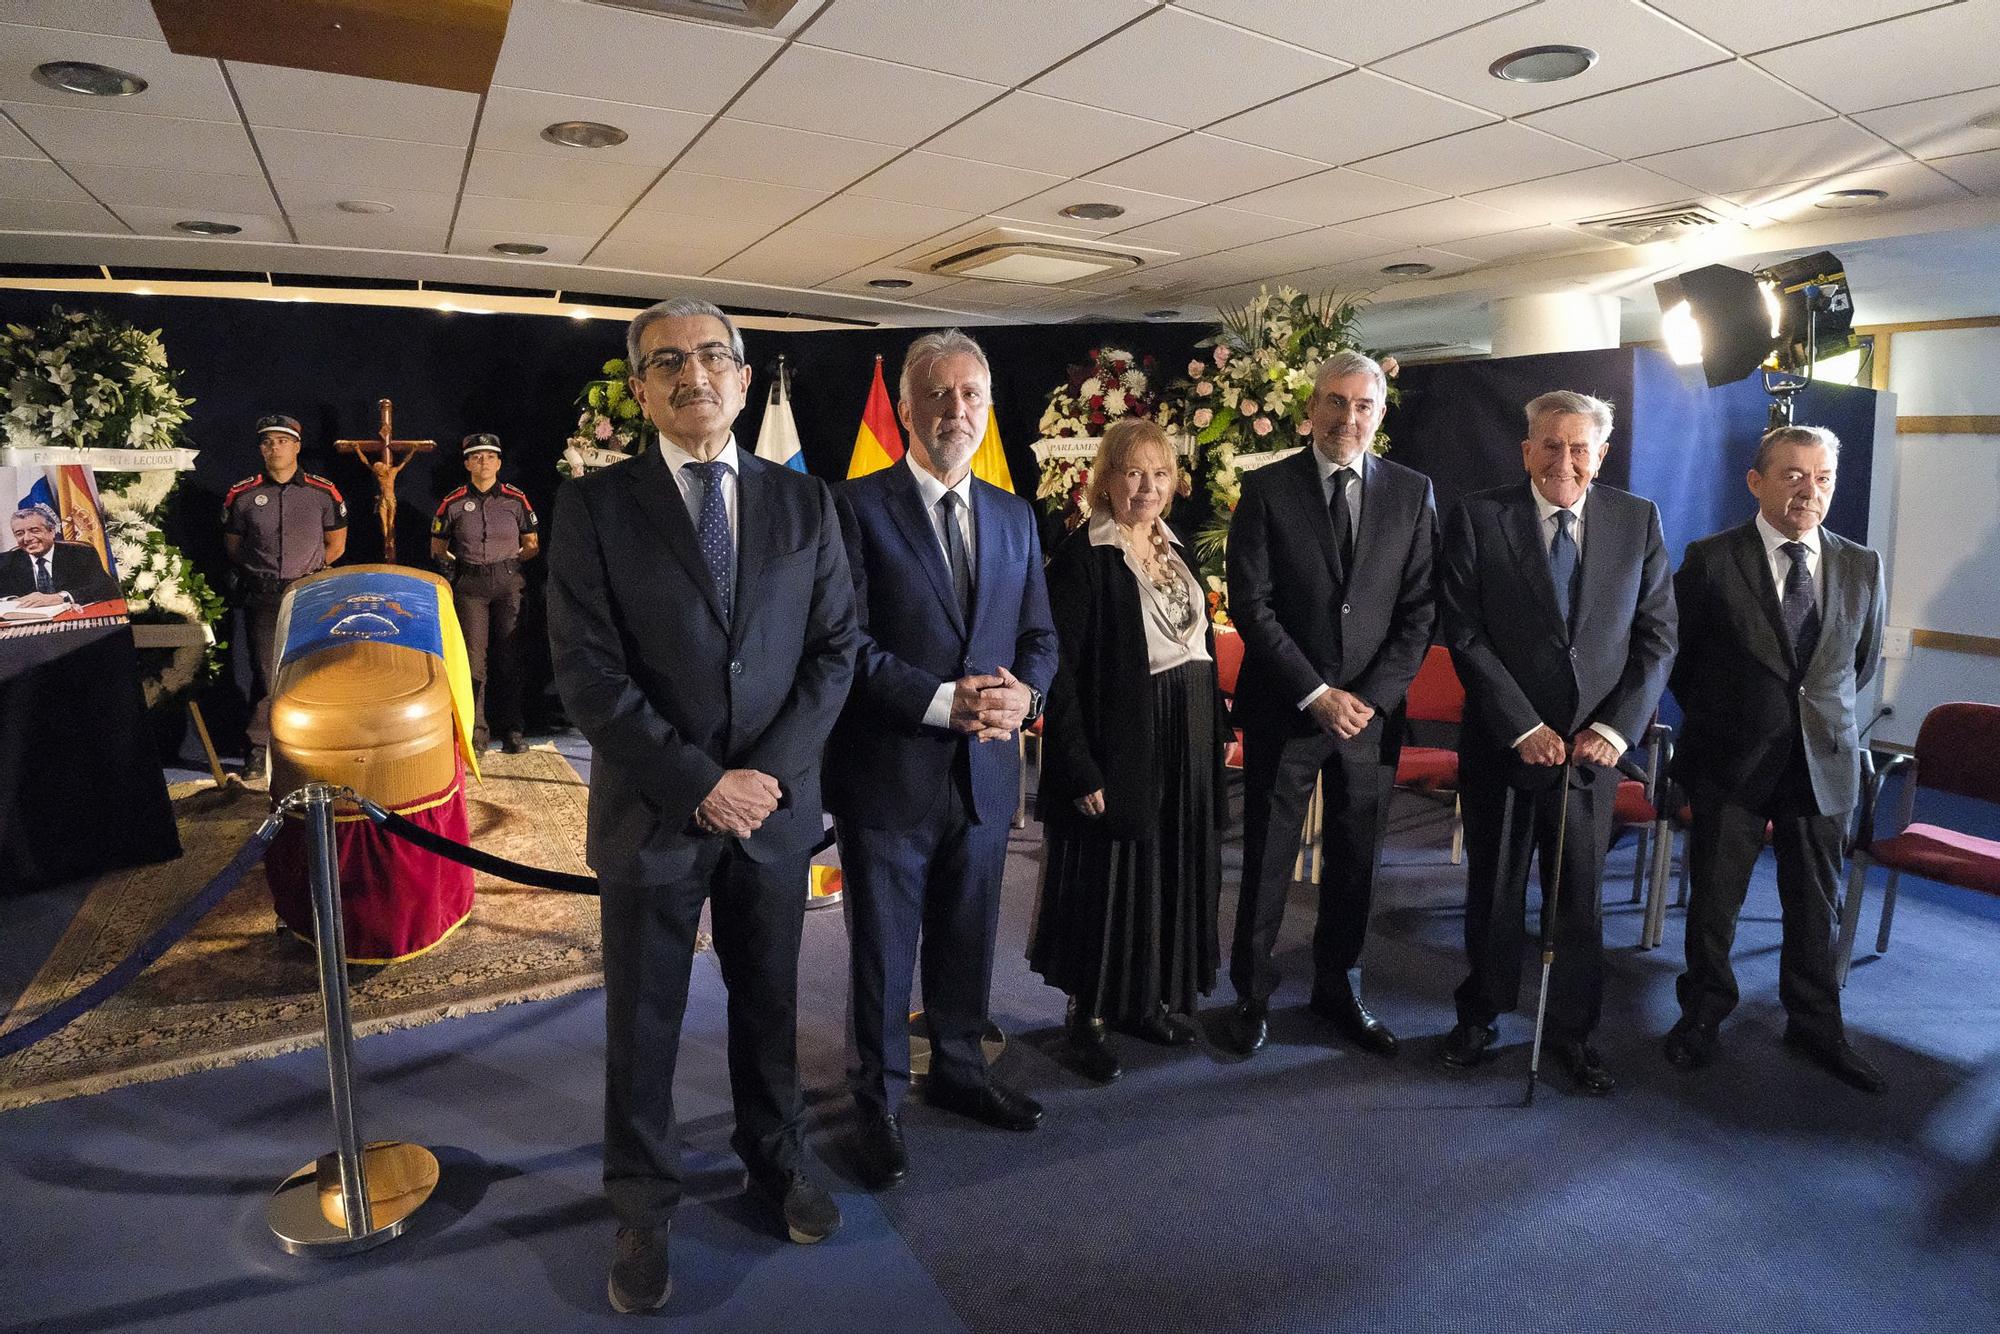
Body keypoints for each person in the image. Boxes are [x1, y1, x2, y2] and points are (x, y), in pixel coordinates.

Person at [545, 297, 858, 1314]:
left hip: (773, 809)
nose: (696, 375)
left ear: (740, 371)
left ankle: (776, 1161)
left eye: (714, 356)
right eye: (668, 360)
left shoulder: (806, 503)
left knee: (771, 1004)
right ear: (639, 386)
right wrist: (700, 781)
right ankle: (642, 1202)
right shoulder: (593, 508)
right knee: (643, 1023)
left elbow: (835, 648)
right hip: (655, 812)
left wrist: (760, 776)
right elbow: (587, 674)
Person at [828, 329, 1059, 1188]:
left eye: (970, 395)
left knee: (969, 937)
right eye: (938, 394)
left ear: (987, 406)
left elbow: (1039, 636)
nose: (955, 409)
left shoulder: (1013, 514)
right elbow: (843, 644)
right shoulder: (852, 507)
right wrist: (941, 700)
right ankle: (877, 1103)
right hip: (889, 771)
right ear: (909, 406)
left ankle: (961, 1072)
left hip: (988, 774)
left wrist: (1025, 697)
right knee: (883, 952)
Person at [1438, 390, 1675, 1095]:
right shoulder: (1480, 517)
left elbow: (1657, 635)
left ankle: (1574, 1031)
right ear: (1526, 450)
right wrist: (1522, 726)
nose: (1563, 460)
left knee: (1579, 899)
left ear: (1600, 456)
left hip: (1592, 756)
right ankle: (1480, 1017)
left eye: (1579, 447)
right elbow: (1466, 631)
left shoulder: (1638, 521)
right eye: (1550, 444)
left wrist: (1612, 730)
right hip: (1505, 745)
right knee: (1496, 892)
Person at [1221, 351, 1437, 1059]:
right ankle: (1250, 994)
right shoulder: (1267, 489)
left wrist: (1366, 700)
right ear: (1310, 409)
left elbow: (1419, 611)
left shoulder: (1412, 492)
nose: (1350, 417)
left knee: (1357, 861)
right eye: (1337, 403)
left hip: (1370, 720)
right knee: (1267, 859)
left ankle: (1338, 987)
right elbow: (1251, 605)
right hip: (1288, 706)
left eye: (1364, 405)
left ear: (1380, 413)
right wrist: (1316, 693)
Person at [1662, 424, 1887, 1092]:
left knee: (1817, 902)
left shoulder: (1861, 564)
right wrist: (1734, 712)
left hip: (1823, 759)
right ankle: (1701, 1015)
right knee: (1715, 900)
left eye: (1822, 477)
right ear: (1757, 482)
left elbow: (1860, 659)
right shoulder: (1710, 559)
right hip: (1731, 756)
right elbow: (1683, 661)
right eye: (1792, 475)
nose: (1808, 491)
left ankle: (1815, 1024)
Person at [1030, 418, 1224, 1083]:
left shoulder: (1175, 549)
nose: (1147, 486)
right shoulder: (1083, 560)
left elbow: (1199, 647)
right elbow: (1059, 674)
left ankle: (1146, 1000)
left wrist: (1215, 735)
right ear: (1104, 480)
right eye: (1133, 472)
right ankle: (1085, 1017)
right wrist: (1078, 765)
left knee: (1168, 867)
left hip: (1187, 734)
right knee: (1108, 878)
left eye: (1160, 473)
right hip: (1122, 737)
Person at [221, 413, 347, 777]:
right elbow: (234, 546)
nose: (274, 447)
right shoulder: (242, 495)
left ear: (296, 446)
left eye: (281, 440)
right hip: (263, 595)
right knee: (267, 672)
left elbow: (336, 544)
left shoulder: (323, 492)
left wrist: (305, 573)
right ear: (261, 449)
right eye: (267, 442)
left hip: (308, 592)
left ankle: (318, 743)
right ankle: (260, 748)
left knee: (315, 668)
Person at [431, 433, 539, 753]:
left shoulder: (516, 500)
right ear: (466, 463)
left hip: (508, 583)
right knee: (473, 663)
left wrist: (508, 564)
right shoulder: (451, 503)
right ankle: (476, 734)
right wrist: (461, 568)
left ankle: (512, 730)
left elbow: (532, 545)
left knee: (509, 659)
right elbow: (438, 548)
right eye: (477, 457)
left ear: (499, 463)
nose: (484, 462)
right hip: (470, 587)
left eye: (490, 457)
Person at [1, 504, 122, 607]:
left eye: (34, 530)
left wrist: (61, 597)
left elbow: (106, 589)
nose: (27, 538)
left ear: (52, 531)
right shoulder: (5, 561)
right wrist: (14, 601)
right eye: (19, 533)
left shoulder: (81, 554)